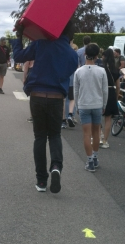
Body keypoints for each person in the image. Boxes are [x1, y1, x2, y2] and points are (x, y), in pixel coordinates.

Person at [11, 20, 77, 194]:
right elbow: (66, 74)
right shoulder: (72, 55)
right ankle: (56, 166)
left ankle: (41, 180)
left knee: (39, 137)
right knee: (55, 135)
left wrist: (19, 35)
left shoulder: (40, 44)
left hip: (37, 95)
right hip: (56, 98)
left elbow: (18, 57)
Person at [74, 43, 108, 172]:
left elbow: (76, 91)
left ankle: (89, 161)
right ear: (97, 55)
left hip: (84, 105)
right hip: (97, 104)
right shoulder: (101, 71)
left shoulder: (79, 71)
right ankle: (95, 157)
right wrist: (104, 104)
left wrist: (77, 105)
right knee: (96, 133)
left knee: (86, 134)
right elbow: (105, 90)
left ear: (84, 54)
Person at [100, 48, 121, 149]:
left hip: (101, 92)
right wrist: (116, 97)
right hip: (111, 92)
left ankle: (99, 135)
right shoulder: (116, 69)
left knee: (97, 115)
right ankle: (105, 141)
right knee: (108, 119)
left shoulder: (101, 68)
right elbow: (118, 86)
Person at [63, 43, 79, 128]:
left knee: (63, 100)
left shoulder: (61, 54)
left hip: (63, 79)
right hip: (72, 80)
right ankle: (70, 115)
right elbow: (77, 68)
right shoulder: (74, 55)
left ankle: (63, 121)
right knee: (72, 99)